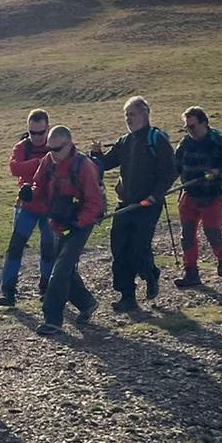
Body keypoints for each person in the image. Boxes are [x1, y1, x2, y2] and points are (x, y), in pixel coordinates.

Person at [92, 96, 177, 313]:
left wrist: (155, 196)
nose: (128, 118)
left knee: (139, 247)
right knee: (119, 248)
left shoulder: (156, 138)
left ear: (144, 114)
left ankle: (150, 274)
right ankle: (127, 295)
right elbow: (107, 163)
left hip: (148, 205)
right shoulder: (124, 141)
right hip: (125, 204)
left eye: (132, 114)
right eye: (126, 115)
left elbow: (170, 172)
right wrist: (96, 156)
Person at [27, 125, 106, 335]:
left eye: (56, 149)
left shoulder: (84, 166)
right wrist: (29, 194)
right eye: (49, 149)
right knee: (65, 269)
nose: (52, 154)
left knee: (60, 270)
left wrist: (78, 223)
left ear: (69, 145)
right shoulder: (49, 161)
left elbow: (95, 203)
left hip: (79, 224)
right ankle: (87, 303)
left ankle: (52, 320)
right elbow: (39, 185)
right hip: (59, 221)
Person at [173, 107, 222, 288]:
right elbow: (174, 167)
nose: (190, 131)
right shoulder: (184, 144)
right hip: (189, 194)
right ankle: (191, 273)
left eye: (192, 126)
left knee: (212, 233)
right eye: (187, 127)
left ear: (204, 123)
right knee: (186, 235)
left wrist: (218, 172)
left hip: (212, 195)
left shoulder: (218, 142)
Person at [0, 109, 56, 305]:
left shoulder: (57, 144)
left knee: (48, 248)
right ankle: (8, 291)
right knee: (15, 247)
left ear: (48, 128)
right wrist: (42, 163)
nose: (37, 137)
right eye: (33, 132)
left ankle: (47, 287)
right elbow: (15, 168)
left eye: (41, 132)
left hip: (50, 206)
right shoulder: (23, 146)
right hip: (27, 206)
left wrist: (30, 165)